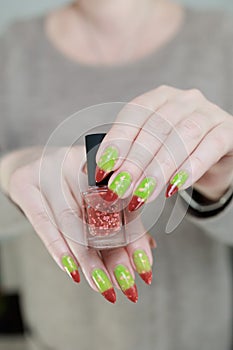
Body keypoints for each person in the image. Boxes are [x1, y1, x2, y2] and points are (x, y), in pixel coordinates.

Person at [0, 1, 233, 349]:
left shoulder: (224, 38)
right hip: (57, 340)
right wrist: (10, 172)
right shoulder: (11, 51)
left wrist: (220, 186)